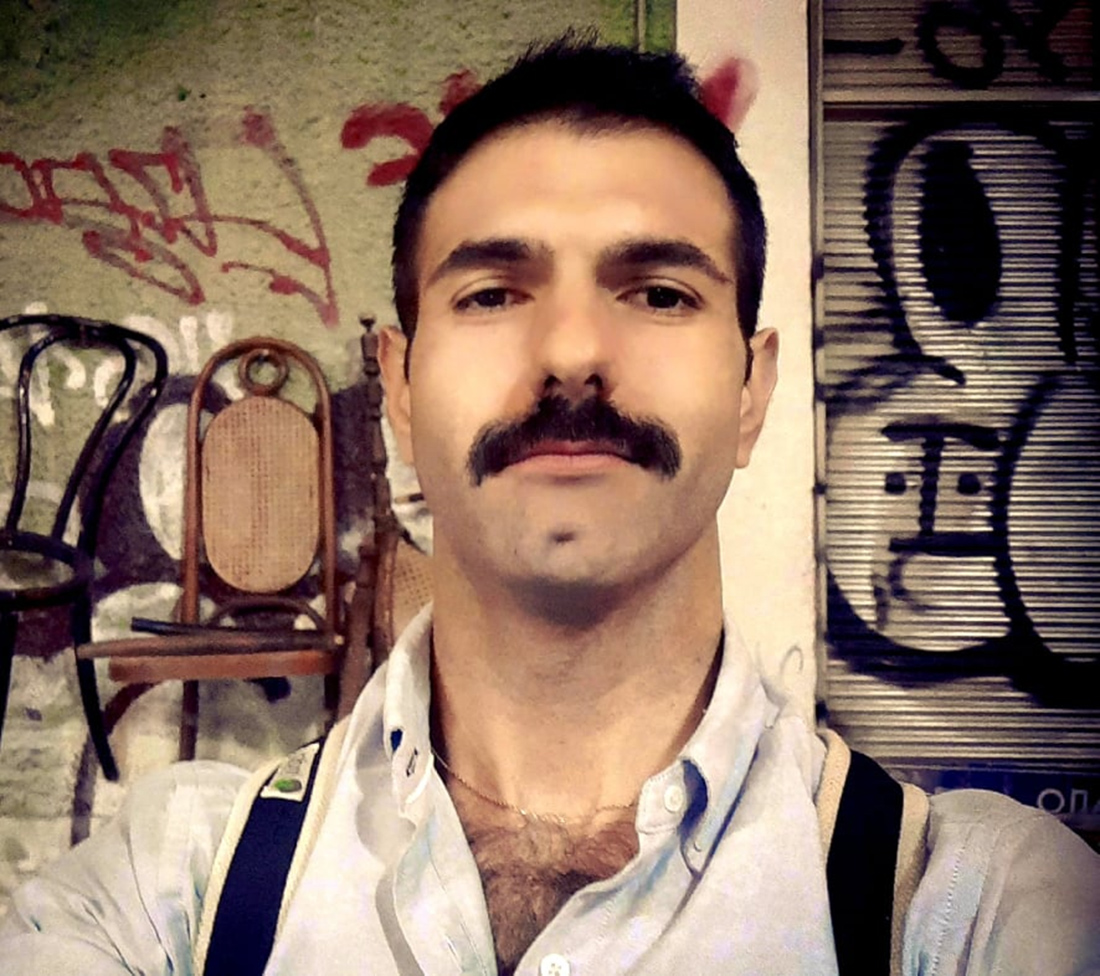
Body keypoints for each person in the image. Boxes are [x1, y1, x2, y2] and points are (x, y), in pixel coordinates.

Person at [3, 36, 1098, 976]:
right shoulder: (167, 894)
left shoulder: (985, 911)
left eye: (659, 292)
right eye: (491, 293)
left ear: (752, 389)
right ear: (398, 387)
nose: (572, 350)